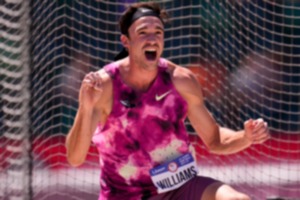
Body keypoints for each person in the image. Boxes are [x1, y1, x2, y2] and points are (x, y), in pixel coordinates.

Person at [65, 2, 270, 200]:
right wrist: (86, 107)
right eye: (143, 32)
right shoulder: (104, 86)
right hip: (124, 195)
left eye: (158, 33)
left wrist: (246, 137)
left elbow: (215, 141)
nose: (152, 39)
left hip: (180, 188)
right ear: (126, 42)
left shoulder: (181, 80)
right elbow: (75, 158)